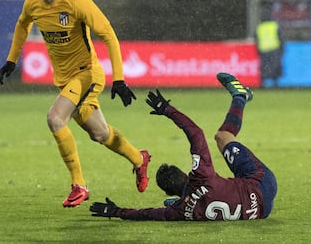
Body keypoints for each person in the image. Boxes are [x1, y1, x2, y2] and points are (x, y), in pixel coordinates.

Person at [0, 0, 151, 208]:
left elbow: (109, 35)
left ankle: (79, 185)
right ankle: (139, 158)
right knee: (100, 134)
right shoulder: (33, 3)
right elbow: (22, 25)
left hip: (87, 73)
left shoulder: (78, 2)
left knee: (55, 118)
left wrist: (120, 79)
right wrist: (12, 60)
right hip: (65, 78)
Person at [90, 72, 277, 221]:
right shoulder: (201, 176)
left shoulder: (178, 212)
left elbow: (146, 214)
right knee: (223, 137)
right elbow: (196, 133)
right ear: (186, 174)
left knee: (208, 198)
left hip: (260, 212)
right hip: (263, 184)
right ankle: (240, 96)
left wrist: (116, 211)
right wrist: (168, 110)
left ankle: (241, 96)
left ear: (167, 192)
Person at [256, 18, 284, 87]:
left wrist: (258, 50)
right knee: (275, 65)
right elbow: (281, 37)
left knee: (264, 66)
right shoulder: (274, 25)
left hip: (263, 49)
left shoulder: (260, 27)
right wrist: (282, 47)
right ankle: (275, 83)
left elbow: (256, 39)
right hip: (274, 48)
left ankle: (262, 83)